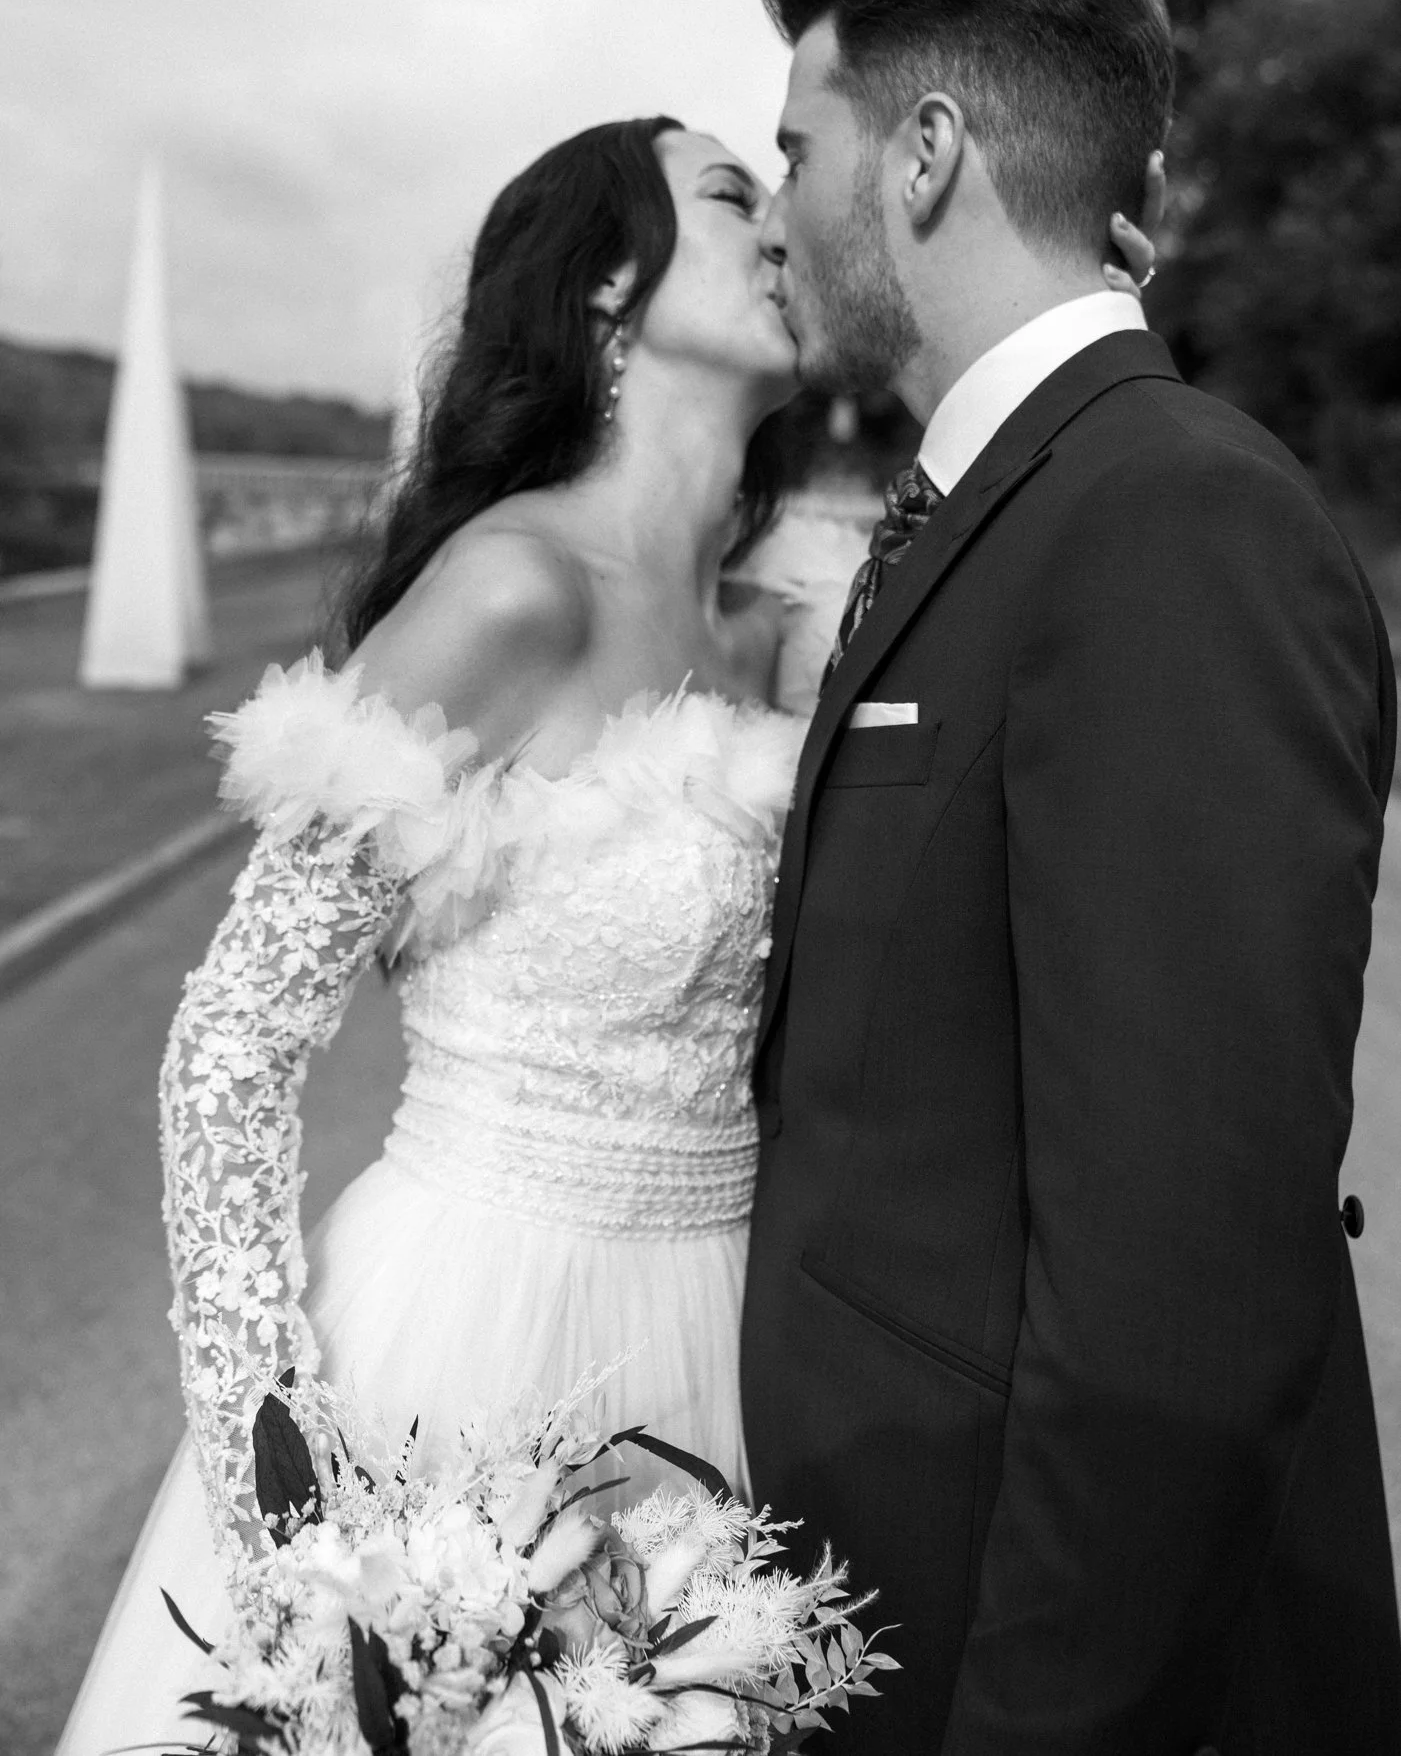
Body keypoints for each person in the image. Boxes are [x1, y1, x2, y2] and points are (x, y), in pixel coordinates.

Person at [55, 113, 1154, 1754]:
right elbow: (229, 1050)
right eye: (736, 190)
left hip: (735, 1349)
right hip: (472, 1343)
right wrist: (285, 1485)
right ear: (608, 289)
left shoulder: (803, 625)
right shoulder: (511, 593)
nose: (788, 220)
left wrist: (1076, 304)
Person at [739, 0, 1401, 1754]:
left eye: (804, 147)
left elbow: (1180, 1299)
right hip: (880, 1607)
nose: (784, 203)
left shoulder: (1175, 521)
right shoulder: (1010, 499)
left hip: (1030, 1664)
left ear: (927, 153)